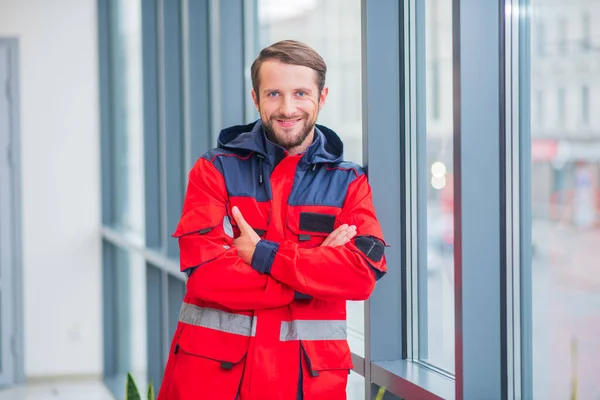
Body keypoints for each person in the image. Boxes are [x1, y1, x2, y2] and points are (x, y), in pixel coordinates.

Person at [157, 40, 387, 400]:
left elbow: (360, 276)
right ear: (256, 98)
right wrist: (313, 276)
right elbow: (206, 275)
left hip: (307, 386)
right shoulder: (214, 170)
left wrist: (263, 255)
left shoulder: (349, 183)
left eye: (300, 93)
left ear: (322, 97)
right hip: (213, 382)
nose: (287, 108)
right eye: (274, 94)